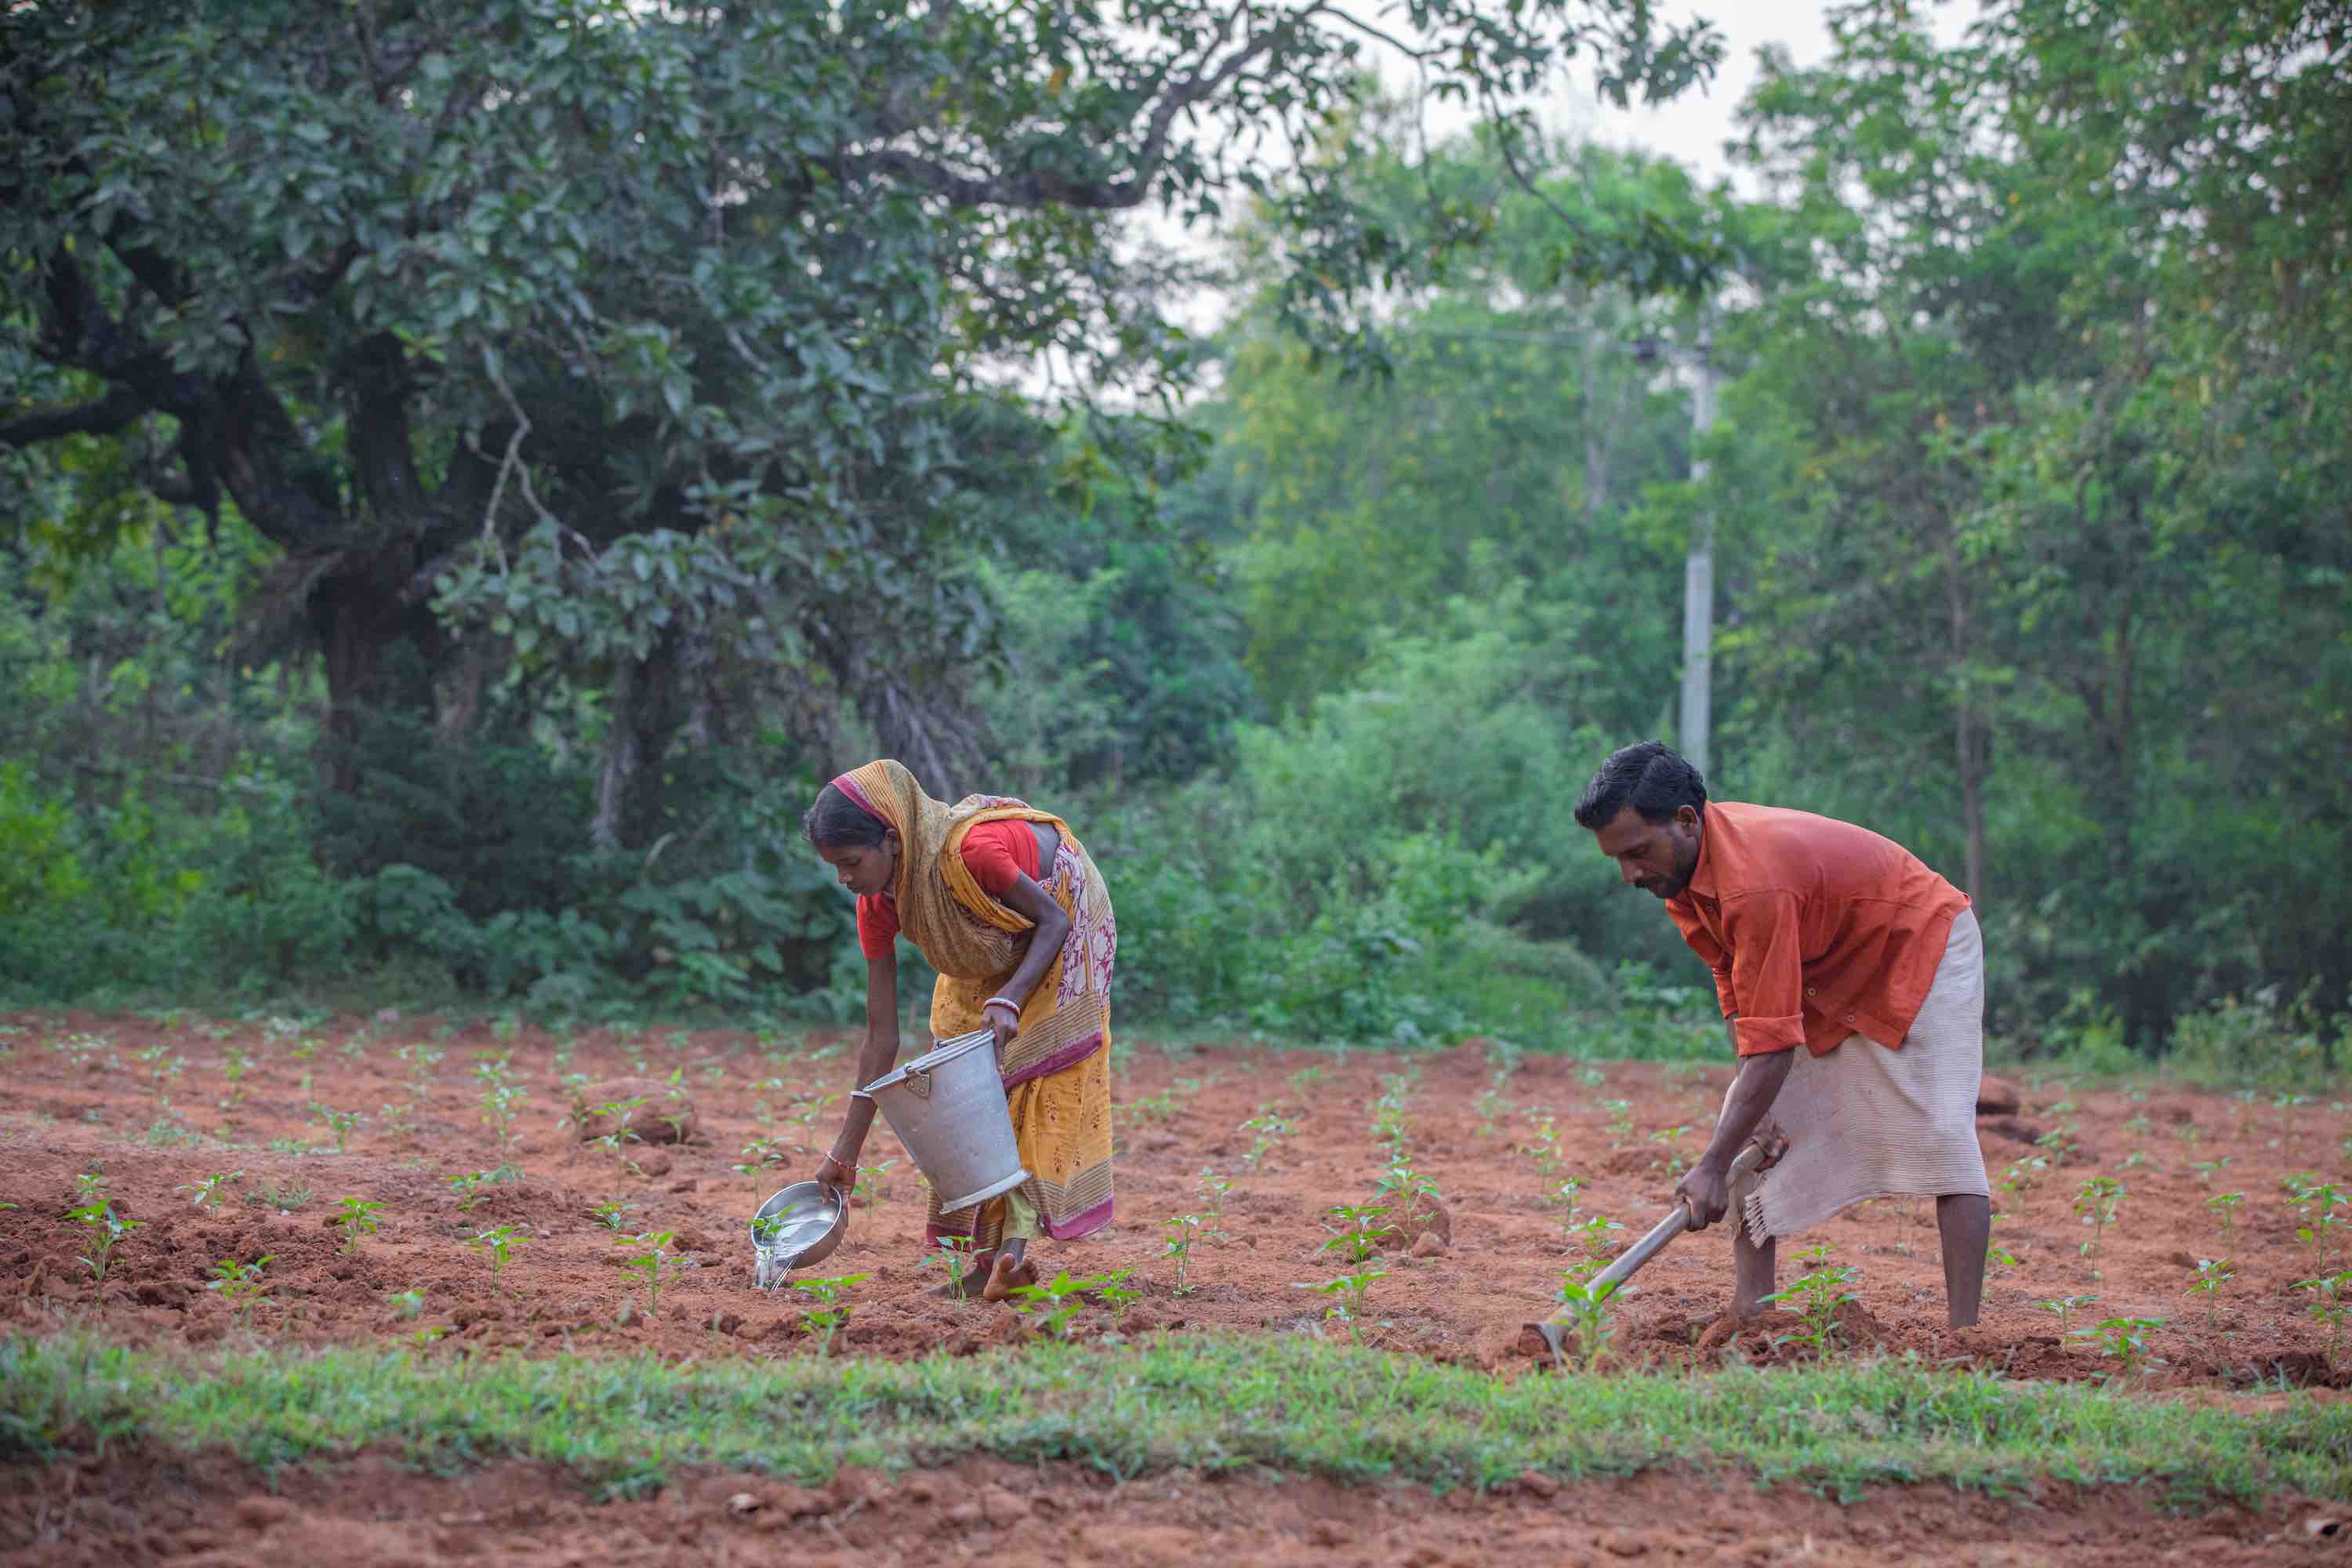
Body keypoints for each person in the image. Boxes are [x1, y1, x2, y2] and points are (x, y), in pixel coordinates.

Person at [1573, 741, 1991, 1330]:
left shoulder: (1752, 883)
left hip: (1918, 943)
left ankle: (1964, 1337)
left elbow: (1772, 1047)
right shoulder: (1681, 879)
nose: (1630, 874)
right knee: (1749, 1119)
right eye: (1618, 859)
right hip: (1827, 963)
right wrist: (1746, 1108)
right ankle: (1754, 1312)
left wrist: (1713, 1166)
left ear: (1687, 820)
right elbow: (1736, 987)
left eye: (1638, 852)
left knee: (1946, 1133)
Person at [804, 759, 1116, 1301]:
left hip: (1062, 913)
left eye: (851, 862)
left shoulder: (971, 853)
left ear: (893, 840)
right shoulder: (877, 905)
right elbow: (881, 1038)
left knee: (1024, 1084)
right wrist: (844, 1154)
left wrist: (1011, 997)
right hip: (986, 942)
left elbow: (1054, 923)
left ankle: (1003, 1264)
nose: (845, 879)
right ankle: (990, 1261)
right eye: (835, 867)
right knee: (959, 1084)